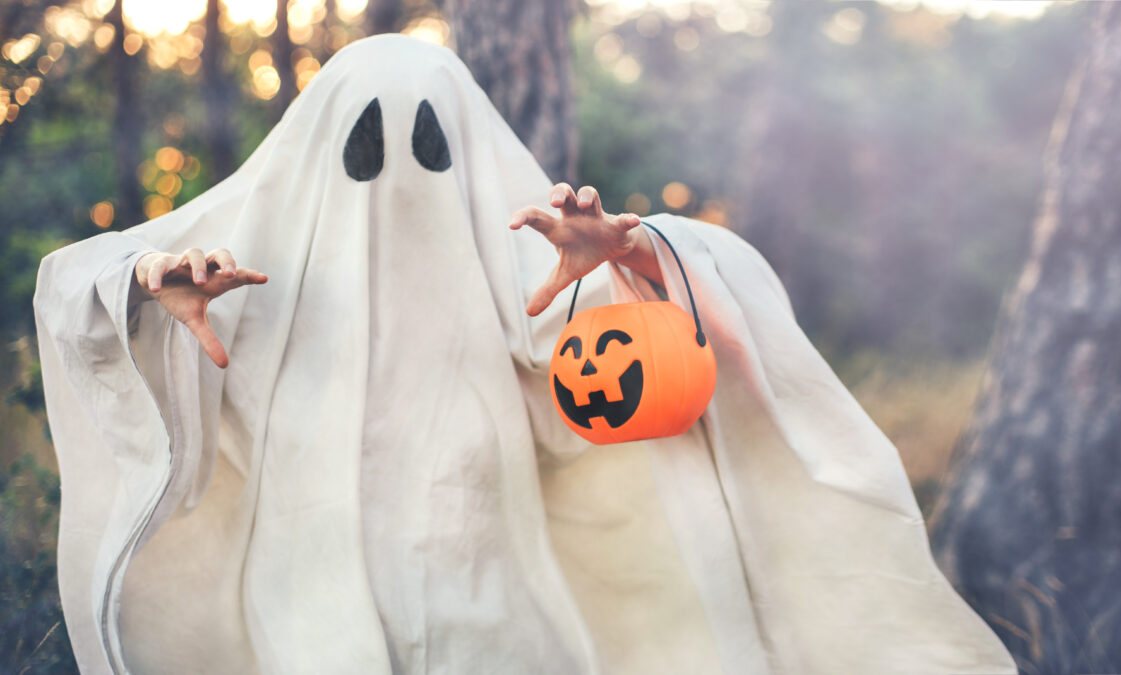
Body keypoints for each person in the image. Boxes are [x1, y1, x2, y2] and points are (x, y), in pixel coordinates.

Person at [34, 35, 1016, 674]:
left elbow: (630, 380)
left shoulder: (526, 289)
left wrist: (629, 260)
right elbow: (82, 279)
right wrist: (150, 286)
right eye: (366, 143)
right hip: (307, 620)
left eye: (431, 143)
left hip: (495, 620)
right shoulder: (251, 289)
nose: (399, 177)